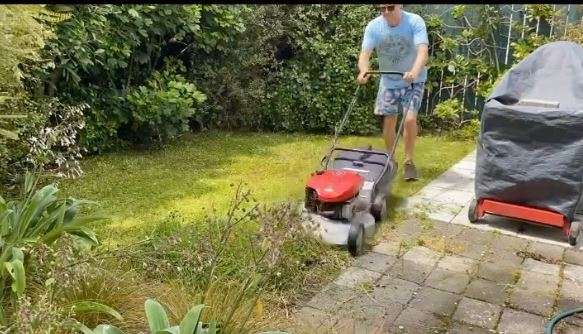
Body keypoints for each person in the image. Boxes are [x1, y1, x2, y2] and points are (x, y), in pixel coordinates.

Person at [357, 4, 429, 181]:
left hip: (413, 80)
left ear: (400, 5)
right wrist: (363, 71)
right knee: (389, 121)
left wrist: (414, 71)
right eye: (382, 8)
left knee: (410, 119)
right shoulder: (374, 26)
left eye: (390, 7)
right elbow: (365, 54)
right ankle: (391, 160)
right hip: (388, 81)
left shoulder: (414, 21)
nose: (386, 12)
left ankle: (409, 162)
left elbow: (423, 51)